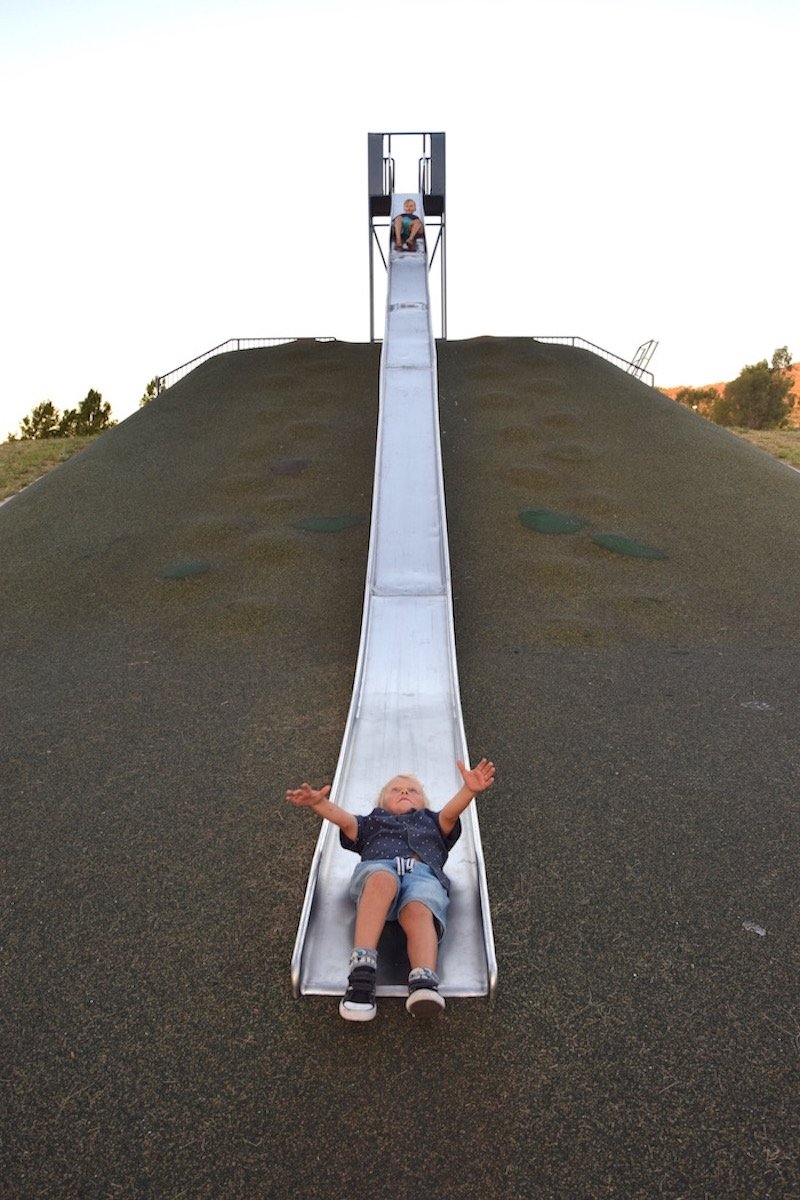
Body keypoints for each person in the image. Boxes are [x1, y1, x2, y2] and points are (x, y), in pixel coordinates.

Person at [286, 757, 495, 1021]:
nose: (404, 792)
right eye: (395, 790)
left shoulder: (432, 821)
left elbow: (451, 813)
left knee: (418, 909)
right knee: (383, 880)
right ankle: (362, 971)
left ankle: (424, 981)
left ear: (424, 803)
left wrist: (469, 791)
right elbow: (346, 821)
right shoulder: (373, 821)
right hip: (379, 873)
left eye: (412, 790)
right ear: (381, 801)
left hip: (423, 878)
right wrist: (319, 803)